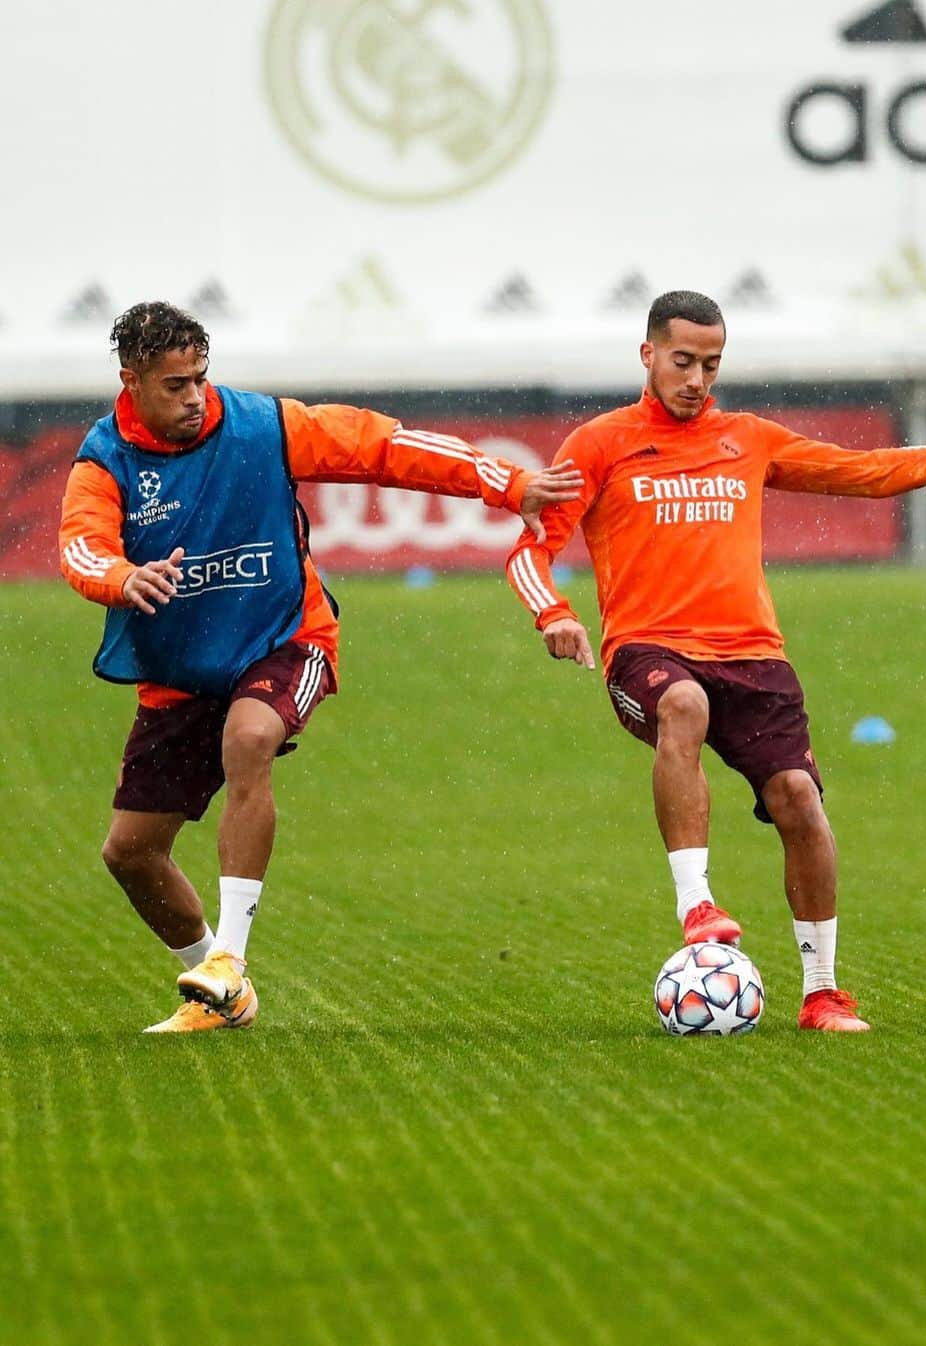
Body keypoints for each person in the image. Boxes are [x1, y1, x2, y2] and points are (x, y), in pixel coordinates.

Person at [505, 290, 926, 1032]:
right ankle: (696, 900)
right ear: (648, 355)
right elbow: (530, 549)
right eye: (683, 361)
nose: (697, 379)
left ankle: (822, 992)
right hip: (650, 650)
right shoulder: (599, 444)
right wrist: (555, 614)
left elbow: (872, 473)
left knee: (799, 799)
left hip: (755, 657)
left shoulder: (750, 439)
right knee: (683, 706)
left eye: (711, 364)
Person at [60, 300, 583, 1034]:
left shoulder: (263, 427)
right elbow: (81, 547)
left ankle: (229, 963)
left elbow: (385, 446)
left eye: (200, 379)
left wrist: (506, 484)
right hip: (180, 671)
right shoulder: (104, 460)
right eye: (175, 384)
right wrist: (121, 578)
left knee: (247, 739)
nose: (193, 397)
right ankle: (223, 989)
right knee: (131, 853)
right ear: (131, 380)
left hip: (285, 637)